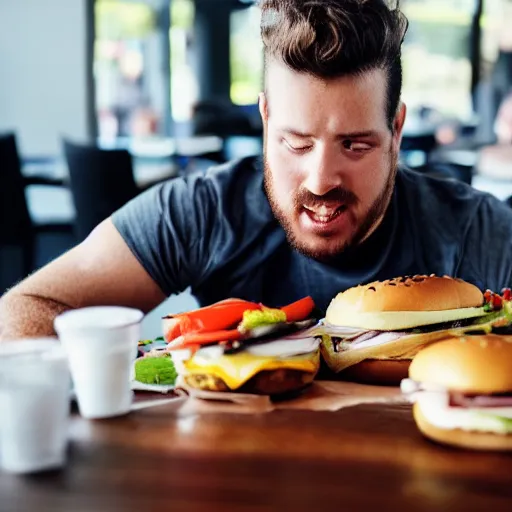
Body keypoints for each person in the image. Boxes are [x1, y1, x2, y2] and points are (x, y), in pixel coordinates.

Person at [2, 0, 512, 340]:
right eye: (295, 143)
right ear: (266, 121)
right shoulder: (206, 210)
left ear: (396, 132)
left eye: (355, 145)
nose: (319, 180)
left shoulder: (476, 232)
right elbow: (31, 304)